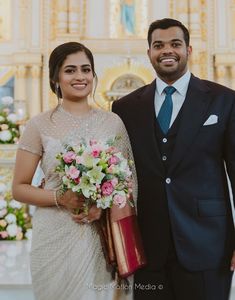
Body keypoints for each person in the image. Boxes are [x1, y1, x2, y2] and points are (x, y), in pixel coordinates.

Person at [112, 18, 235, 300]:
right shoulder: (125, 107)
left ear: (189, 50)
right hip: (148, 249)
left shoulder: (223, 100)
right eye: (159, 45)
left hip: (208, 245)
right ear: (149, 53)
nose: (167, 50)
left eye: (175, 44)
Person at [12, 42, 136, 300]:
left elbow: (129, 182)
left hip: (98, 234)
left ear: (93, 75)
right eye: (70, 70)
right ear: (55, 77)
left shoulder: (112, 122)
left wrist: (102, 207)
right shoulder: (39, 124)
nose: (80, 76)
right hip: (53, 234)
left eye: (86, 69)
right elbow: (19, 188)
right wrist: (61, 198)